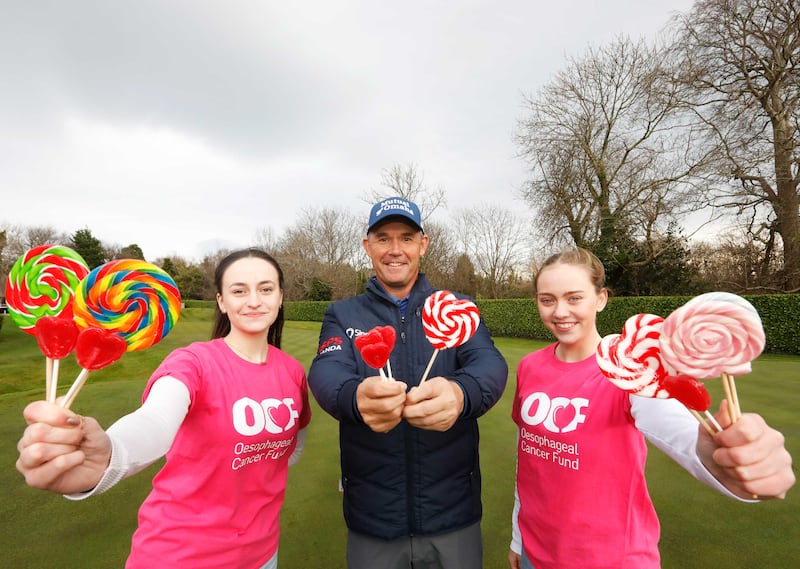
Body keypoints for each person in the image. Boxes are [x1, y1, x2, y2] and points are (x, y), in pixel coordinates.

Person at [16, 248, 312, 569]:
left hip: (262, 556)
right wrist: (113, 455)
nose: (254, 300)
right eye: (239, 290)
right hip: (178, 556)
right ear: (222, 302)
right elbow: (155, 420)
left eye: (265, 289)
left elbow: (292, 450)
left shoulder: (292, 371)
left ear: (281, 297)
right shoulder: (194, 362)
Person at [508, 248, 796, 569]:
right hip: (536, 553)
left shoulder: (629, 369)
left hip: (611, 560)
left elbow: (685, 440)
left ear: (600, 299)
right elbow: (529, 463)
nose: (560, 311)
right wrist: (518, 540)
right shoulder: (530, 367)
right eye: (547, 299)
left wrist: (726, 461)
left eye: (574, 298)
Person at [307, 197, 508, 569]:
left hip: (452, 512)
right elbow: (327, 370)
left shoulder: (456, 307)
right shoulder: (342, 313)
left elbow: (488, 363)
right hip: (373, 517)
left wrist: (460, 394)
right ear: (367, 247)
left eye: (406, 238)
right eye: (383, 239)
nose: (395, 250)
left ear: (423, 244)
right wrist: (354, 397)